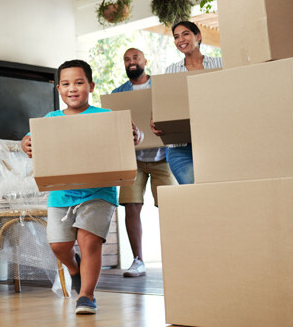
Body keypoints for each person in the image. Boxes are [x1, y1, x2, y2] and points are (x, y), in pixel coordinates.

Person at [21, 59, 142, 315]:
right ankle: (74, 269)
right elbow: (32, 141)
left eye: (79, 83)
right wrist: (26, 144)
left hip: (99, 191)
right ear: (58, 90)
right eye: (66, 84)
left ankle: (86, 296)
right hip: (61, 193)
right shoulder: (50, 120)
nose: (72, 88)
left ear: (91, 85)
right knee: (58, 245)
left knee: (89, 242)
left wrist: (136, 136)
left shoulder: (104, 116)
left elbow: (132, 136)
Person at [111, 48, 176, 278]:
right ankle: (138, 260)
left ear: (145, 61)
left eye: (135, 58)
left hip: (163, 157)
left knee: (170, 207)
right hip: (134, 160)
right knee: (131, 206)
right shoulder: (118, 94)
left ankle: (176, 257)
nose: (131, 62)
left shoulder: (160, 87)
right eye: (127, 59)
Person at [151, 20, 223, 184]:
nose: (180, 40)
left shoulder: (219, 64)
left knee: (215, 187)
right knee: (193, 189)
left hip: (213, 140)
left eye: (185, 34)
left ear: (197, 36)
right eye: (176, 37)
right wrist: (155, 118)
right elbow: (163, 102)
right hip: (180, 147)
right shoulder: (171, 71)